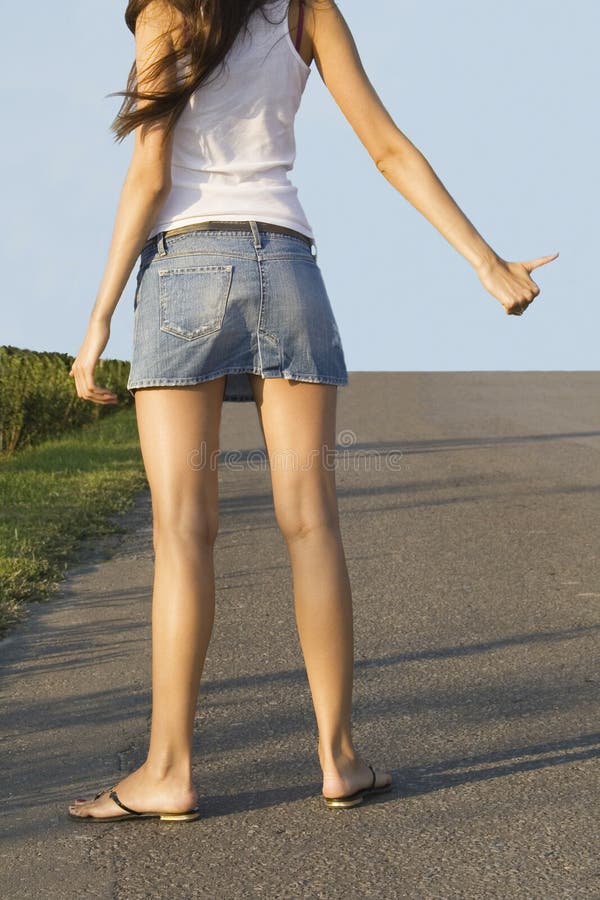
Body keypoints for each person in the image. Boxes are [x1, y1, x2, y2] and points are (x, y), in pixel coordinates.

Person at [67, 0, 558, 822]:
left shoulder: (166, 10)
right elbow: (387, 146)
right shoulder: (308, 10)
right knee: (312, 523)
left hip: (186, 269)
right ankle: (338, 758)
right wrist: (484, 260)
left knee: (184, 532)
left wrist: (99, 318)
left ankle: (169, 771)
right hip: (288, 269)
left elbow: (149, 173)